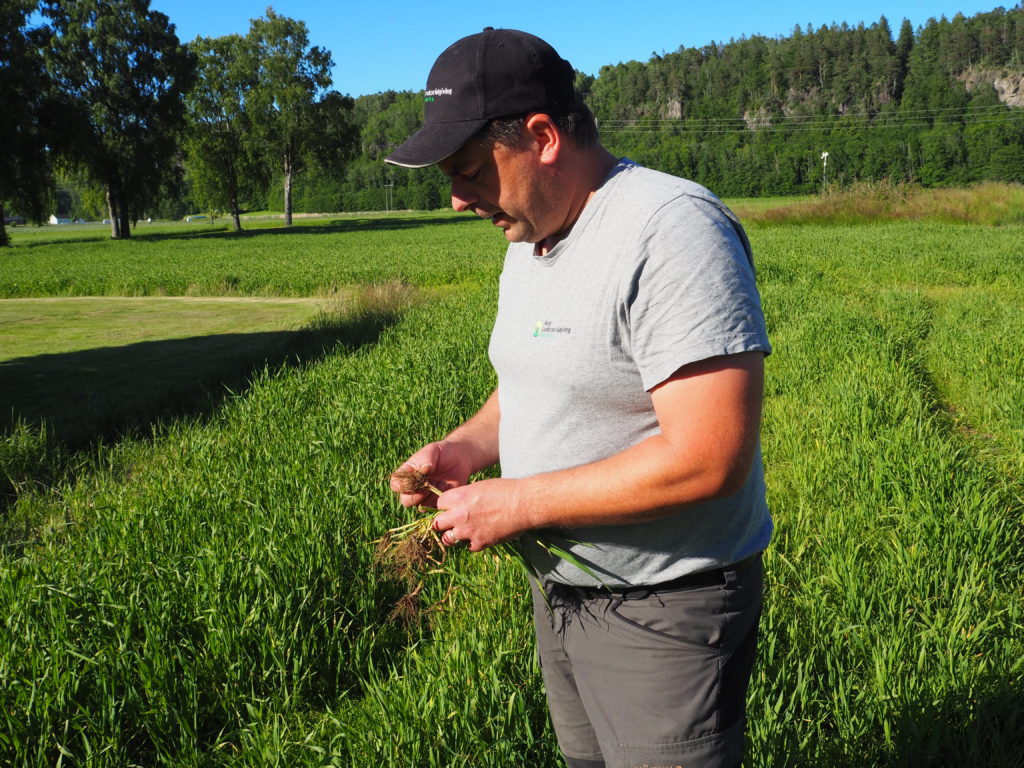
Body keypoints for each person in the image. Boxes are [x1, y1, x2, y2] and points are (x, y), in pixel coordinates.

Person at [386, 27, 772, 768]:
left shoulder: (671, 231)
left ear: (542, 136)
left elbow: (710, 457)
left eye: (470, 170)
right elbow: (531, 387)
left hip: (663, 603)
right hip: (564, 589)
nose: (460, 199)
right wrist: (462, 449)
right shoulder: (529, 239)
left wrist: (518, 504)